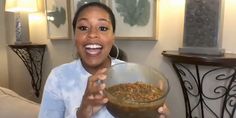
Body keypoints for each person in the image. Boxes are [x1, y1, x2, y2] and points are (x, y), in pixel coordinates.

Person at [39, 2, 168, 118]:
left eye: (103, 28)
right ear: (75, 36)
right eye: (83, 28)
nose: (92, 34)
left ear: (113, 37)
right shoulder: (58, 78)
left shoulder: (132, 75)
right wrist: (81, 114)